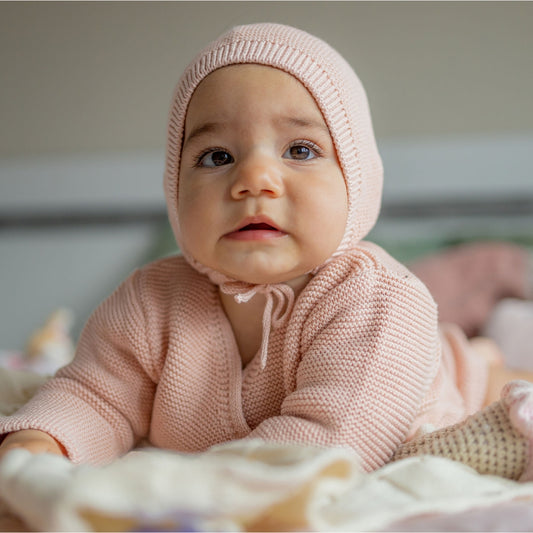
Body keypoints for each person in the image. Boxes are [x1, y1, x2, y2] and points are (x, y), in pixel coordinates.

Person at [1, 23, 533, 478]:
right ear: (174, 187)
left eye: (300, 150)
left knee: (509, 386)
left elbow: (328, 445)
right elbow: (96, 395)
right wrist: (44, 443)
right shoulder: (149, 302)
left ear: (357, 183)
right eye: (215, 156)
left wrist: (195, 490)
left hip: (451, 379)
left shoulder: (380, 300)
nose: (254, 179)